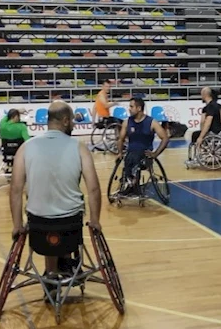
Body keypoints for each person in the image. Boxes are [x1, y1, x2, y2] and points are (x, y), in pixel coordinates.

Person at [9, 101, 101, 279]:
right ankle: (66, 265)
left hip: (38, 223)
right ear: (65, 121)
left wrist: (17, 225)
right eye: (73, 121)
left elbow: (15, 190)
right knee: (66, 225)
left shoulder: (26, 147)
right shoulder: (79, 147)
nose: (74, 124)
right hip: (70, 223)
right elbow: (94, 189)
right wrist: (95, 220)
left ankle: (51, 272)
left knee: (46, 227)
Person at [116, 97, 169, 196]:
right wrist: (119, 153)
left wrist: (155, 154)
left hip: (145, 154)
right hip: (131, 154)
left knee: (135, 157)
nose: (129, 109)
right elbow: (120, 139)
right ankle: (130, 184)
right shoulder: (127, 122)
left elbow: (165, 138)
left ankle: (133, 185)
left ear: (139, 108)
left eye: (131, 106)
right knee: (130, 157)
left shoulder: (152, 122)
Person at [188, 87, 221, 162]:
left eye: (201, 95)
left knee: (195, 135)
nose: (201, 97)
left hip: (213, 132)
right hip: (219, 131)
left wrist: (201, 137)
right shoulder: (217, 105)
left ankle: (196, 156)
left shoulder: (210, 107)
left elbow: (207, 122)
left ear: (205, 95)